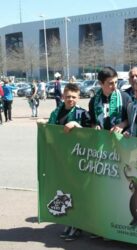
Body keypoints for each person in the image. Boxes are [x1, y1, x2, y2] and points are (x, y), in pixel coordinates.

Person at [37, 83, 90, 241]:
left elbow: (91, 135)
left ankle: (78, 224)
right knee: (65, 191)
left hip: (78, 160)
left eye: (74, 97)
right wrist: (43, 125)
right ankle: (69, 220)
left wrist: (77, 125)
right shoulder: (57, 111)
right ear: (63, 97)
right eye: (67, 97)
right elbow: (51, 130)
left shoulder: (83, 114)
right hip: (61, 158)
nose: (70, 99)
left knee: (77, 191)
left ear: (78, 97)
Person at [88, 66, 131, 132]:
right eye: (111, 83)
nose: (115, 86)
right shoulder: (93, 101)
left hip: (120, 139)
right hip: (101, 138)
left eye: (116, 82)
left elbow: (132, 119)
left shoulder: (125, 97)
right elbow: (91, 121)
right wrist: (94, 126)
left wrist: (122, 125)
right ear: (100, 83)